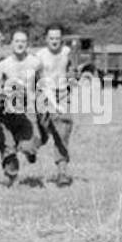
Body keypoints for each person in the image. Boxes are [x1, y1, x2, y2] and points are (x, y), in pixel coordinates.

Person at [0, 30, 44, 185]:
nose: (20, 44)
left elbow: (43, 84)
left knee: (28, 146)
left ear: (27, 44)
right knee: (8, 148)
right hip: (6, 111)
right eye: (17, 41)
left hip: (27, 110)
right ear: (11, 43)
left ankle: (30, 151)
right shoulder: (4, 65)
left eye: (23, 41)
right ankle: (11, 176)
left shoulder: (35, 63)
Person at [36, 26, 75, 186]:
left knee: (63, 131)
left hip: (62, 95)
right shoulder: (39, 56)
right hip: (44, 95)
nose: (54, 41)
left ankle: (62, 171)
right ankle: (38, 140)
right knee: (42, 130)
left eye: (57, 38)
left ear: (61, 39)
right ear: (46, 39)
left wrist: (72, 79)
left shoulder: (67, 53)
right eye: (51, 38)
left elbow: (72, 70)